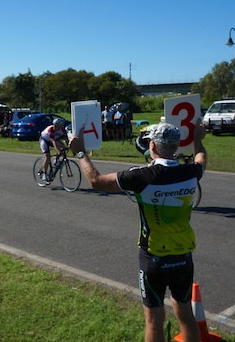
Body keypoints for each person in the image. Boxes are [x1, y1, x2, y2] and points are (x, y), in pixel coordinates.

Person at [68, 122, 206, 342]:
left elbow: (96, 180)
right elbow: (201, 157)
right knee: (186, 312)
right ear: (177, 145)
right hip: (183, 255)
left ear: (152, 145)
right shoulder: (191, 173)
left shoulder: (142, 176)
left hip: (153, 257)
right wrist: (198, 139)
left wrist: (81, 152)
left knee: (154, 319)